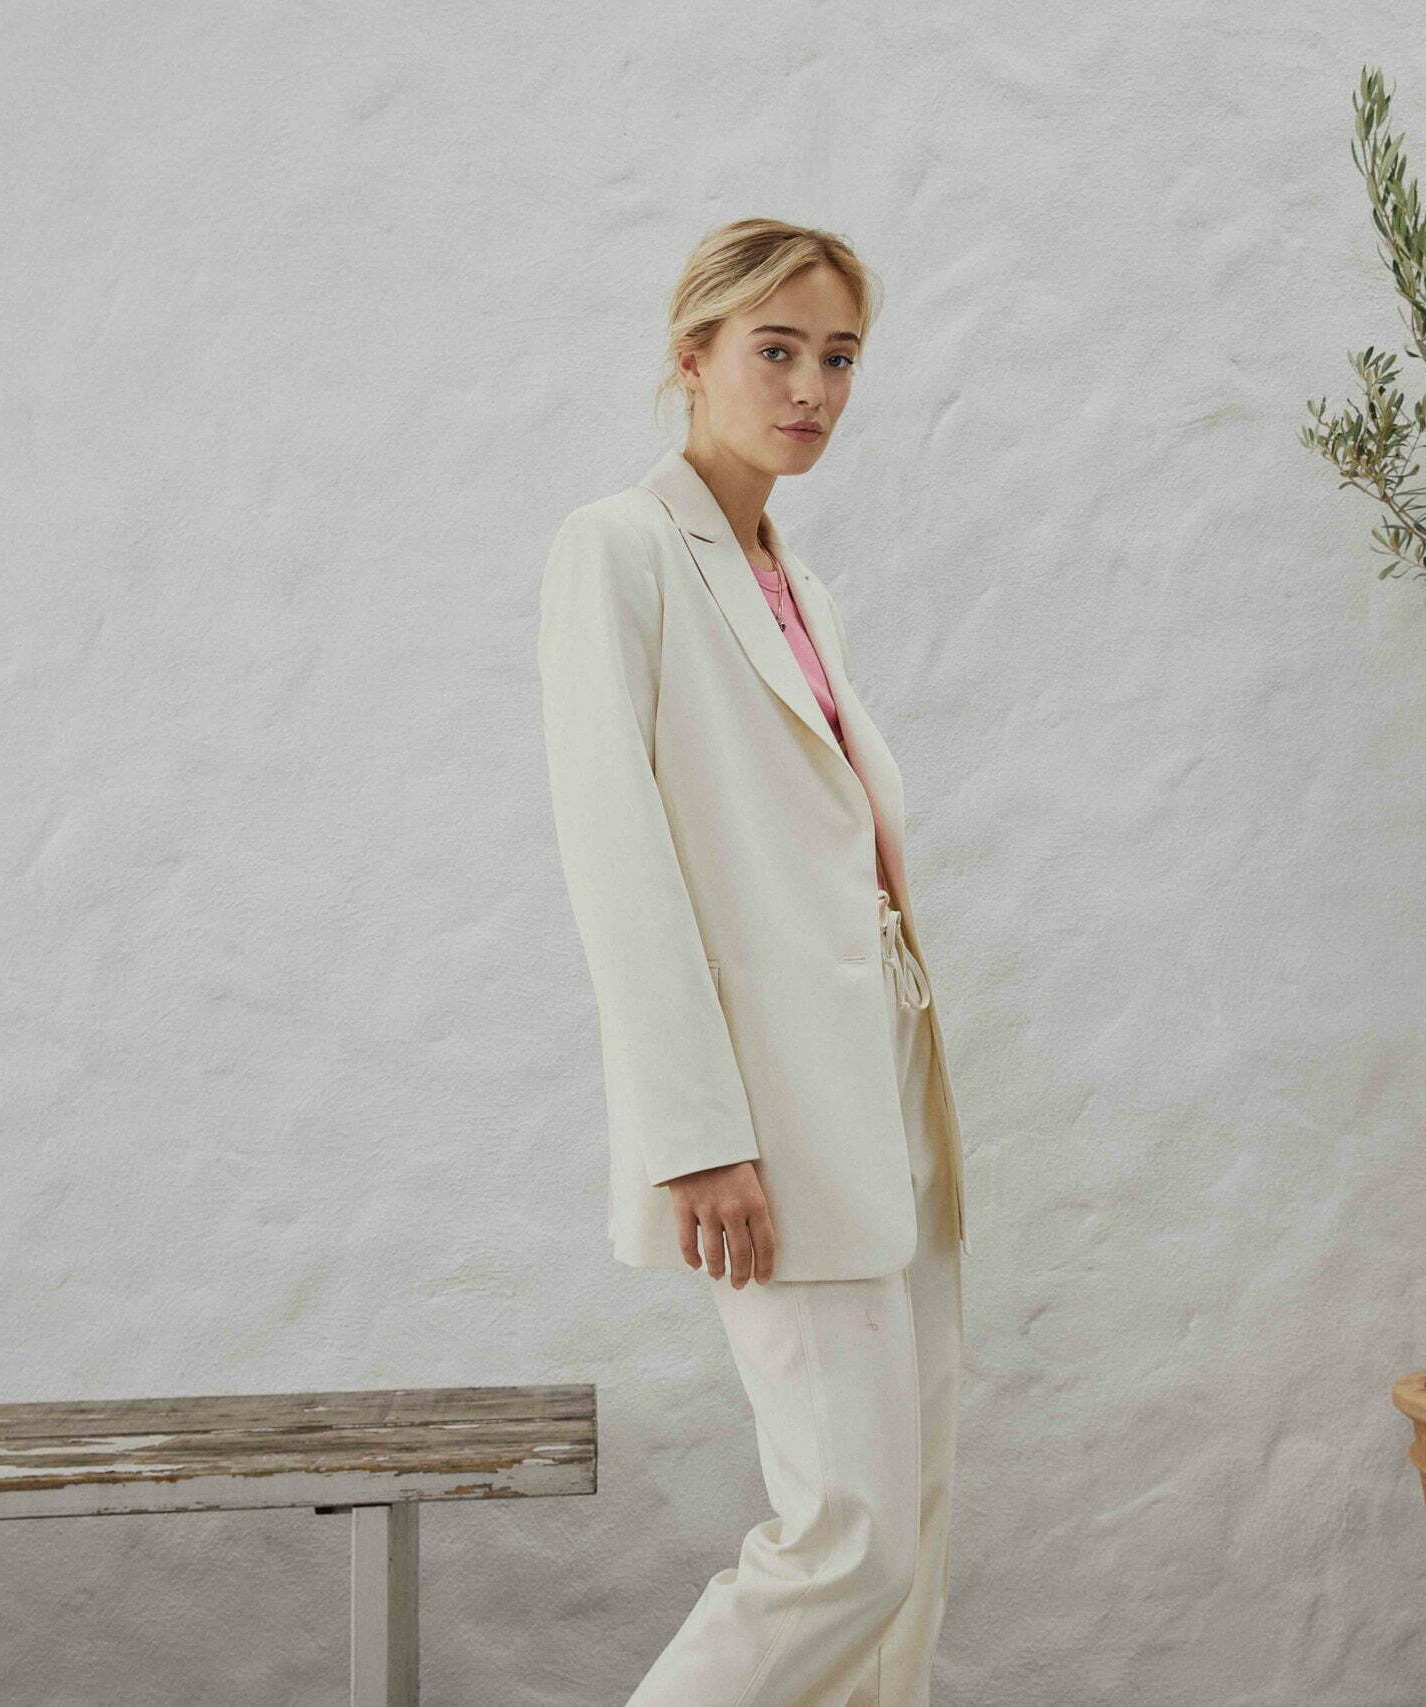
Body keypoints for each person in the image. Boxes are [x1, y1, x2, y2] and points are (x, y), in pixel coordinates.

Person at [536, 217, 969, 1707]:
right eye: (775, 350)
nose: (811, 389)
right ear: (692, 357)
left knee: (903, 1521)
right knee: (849, 1542)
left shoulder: (801, 587)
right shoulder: (620, 551)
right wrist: (695, 1135)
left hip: (881, 1089)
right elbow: (620, 860)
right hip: (762, 1114)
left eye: (838, 358)